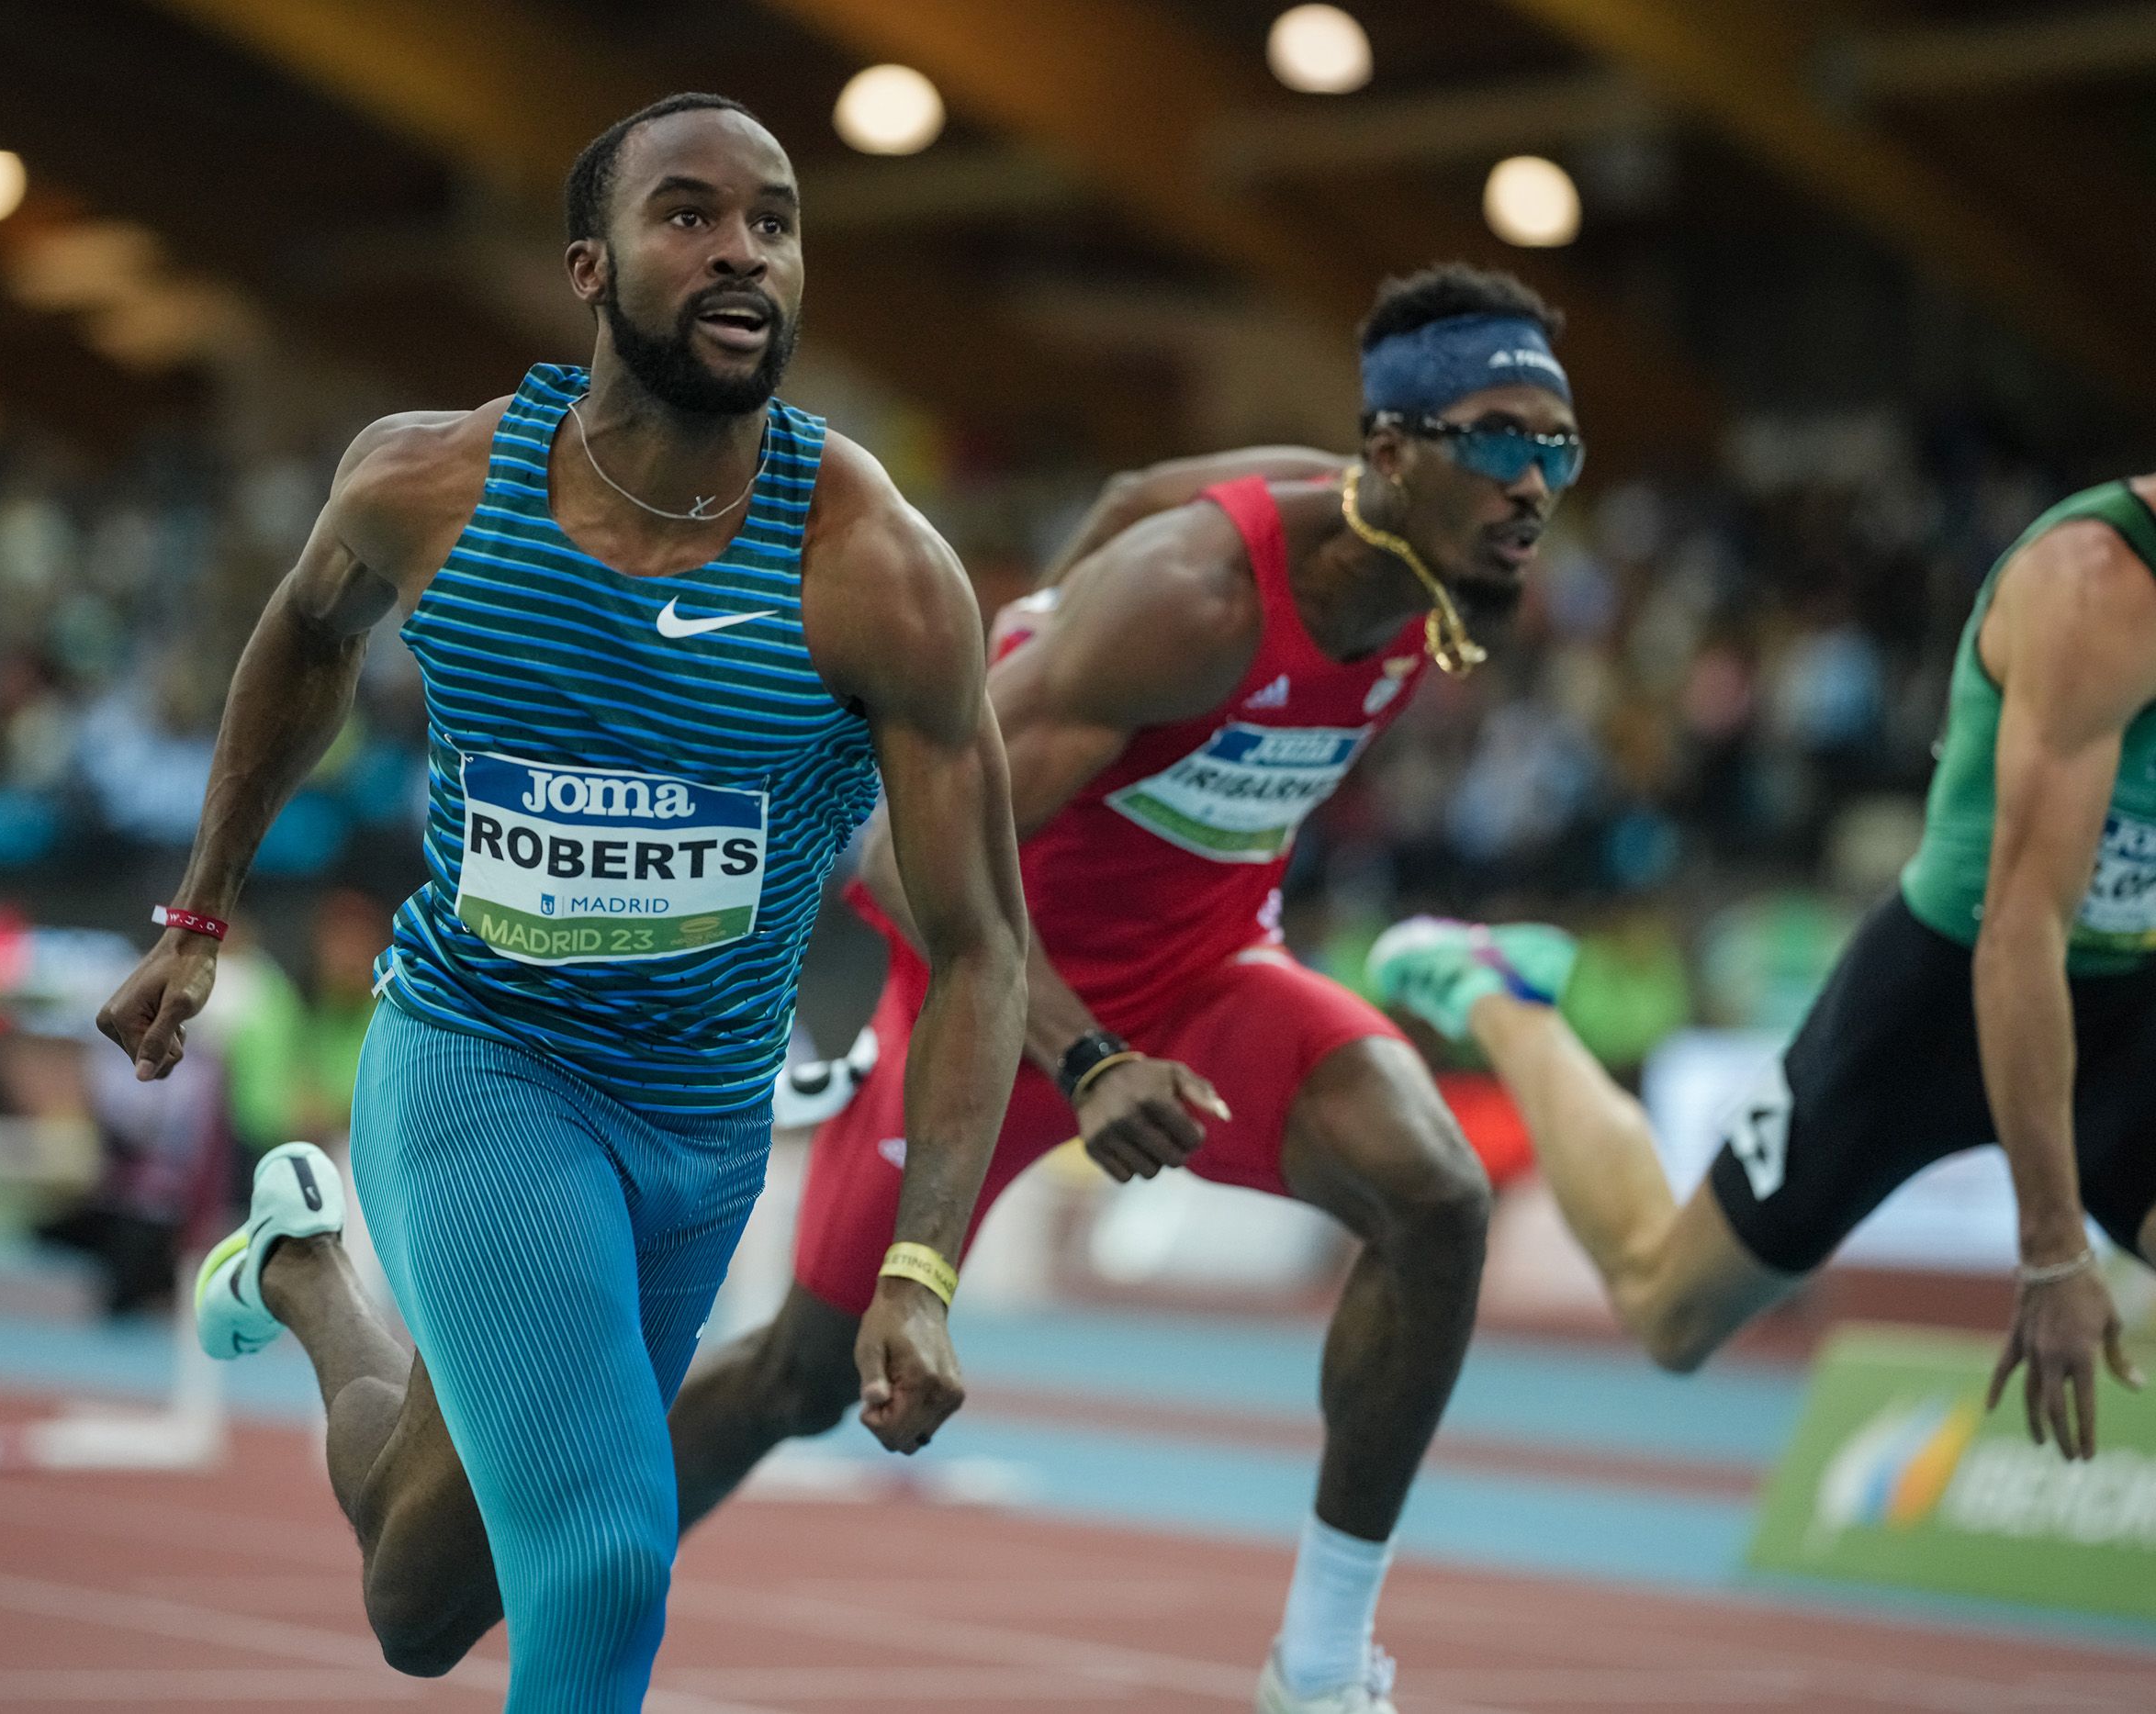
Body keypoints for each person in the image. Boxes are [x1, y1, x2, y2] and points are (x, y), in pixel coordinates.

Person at [95, 93, 1026, 1710]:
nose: (743, 251)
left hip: (698, 1128)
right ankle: (332, 1238)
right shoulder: (431, 486)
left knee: (425, 1602)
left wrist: (922, 1270)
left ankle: (302, 1271)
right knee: (602, 1554)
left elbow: (979, 945)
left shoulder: (874, 568)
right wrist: (199, 913)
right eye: (693, 215)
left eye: (777, 222)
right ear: (589, 268)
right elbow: (308, 634)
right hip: (482, 1061)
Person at [668, 263, 1588, 1714]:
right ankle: (575, 1559)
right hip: (1000, 986)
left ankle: (1323, 1662)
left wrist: (1039, 605)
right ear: (1392, 451)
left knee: (1439, 1196)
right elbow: (898, 863)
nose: (1532, 483)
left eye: (1557, 448)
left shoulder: (1439, 568)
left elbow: (1133, 480)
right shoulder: (1196, 603)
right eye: (1497, 438)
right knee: (802, 1375)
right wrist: (1086, 1054)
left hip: (1211, 972)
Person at [1368, 476, 2156, 1464]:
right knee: (1670, 1309)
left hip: (2129, 998)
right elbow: (2018, 933)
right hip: (1944, 992)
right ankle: (1502, 996)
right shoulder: (2095, 588)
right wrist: (2052, 1253)